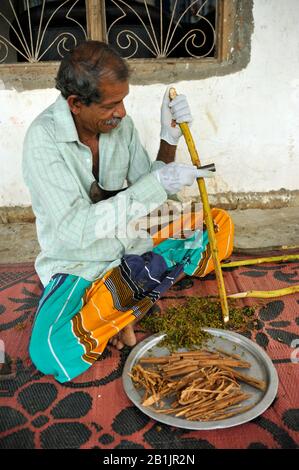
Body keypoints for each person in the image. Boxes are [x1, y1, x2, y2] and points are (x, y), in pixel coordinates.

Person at [22, 40, 233, 383]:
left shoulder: (118, 125)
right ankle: (132, 296)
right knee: (49, 350)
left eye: (123, 101)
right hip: (80, 262)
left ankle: (120, 303)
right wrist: (156, 185)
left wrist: (170, 138)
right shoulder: (42, 141)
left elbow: (147, 185)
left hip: (131, 241)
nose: (121, 112)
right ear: (76, 104)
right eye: (112, 104)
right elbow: (74, 229)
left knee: (216, 224)